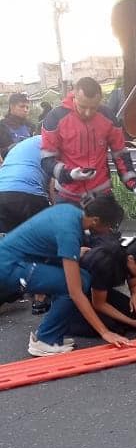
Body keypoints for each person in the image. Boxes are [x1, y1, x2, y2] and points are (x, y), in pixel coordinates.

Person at [0, 194, 131, 356]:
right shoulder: (69, 232)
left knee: (82, 277)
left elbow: (47, 240)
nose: (110, 230)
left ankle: (54, 335)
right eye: (110, 226)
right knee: (75, 286)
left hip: (20, 260)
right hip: (10, 267)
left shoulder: (70, 212)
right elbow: (75, 292)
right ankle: (44, 339)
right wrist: (105, 332)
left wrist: (75, 252)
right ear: (96, 220)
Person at [40, 76, 136, 207]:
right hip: (68, 196)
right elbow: (46, 160)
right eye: (83, 106)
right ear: (74, 97)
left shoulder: (108, 116)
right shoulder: (55, 118)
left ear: (100, 100)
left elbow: (120, 154)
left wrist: (134, 184)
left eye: (93, 107)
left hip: (101, 194)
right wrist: (69, 174)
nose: (88, 112)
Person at [0, 135, 53, 315]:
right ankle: (40, 298)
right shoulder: (53, 141)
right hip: (29, 195)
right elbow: (53, 183)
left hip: (2, 194)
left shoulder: (21, 148)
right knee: (44, 244)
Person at [67, 236, 136, 337]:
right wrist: (131, 322)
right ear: (130, 259)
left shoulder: (127, 257)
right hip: (81, 295)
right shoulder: (105, 264)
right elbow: (99, 304)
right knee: (113, 327)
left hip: (102, 292)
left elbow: (135, 284)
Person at [0, 92, 35, 159]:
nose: (25, 110)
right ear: (12, 106)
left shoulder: (31, 126)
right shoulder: (2, 126)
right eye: (22, 106)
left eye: (27, 107)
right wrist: (9, 149)